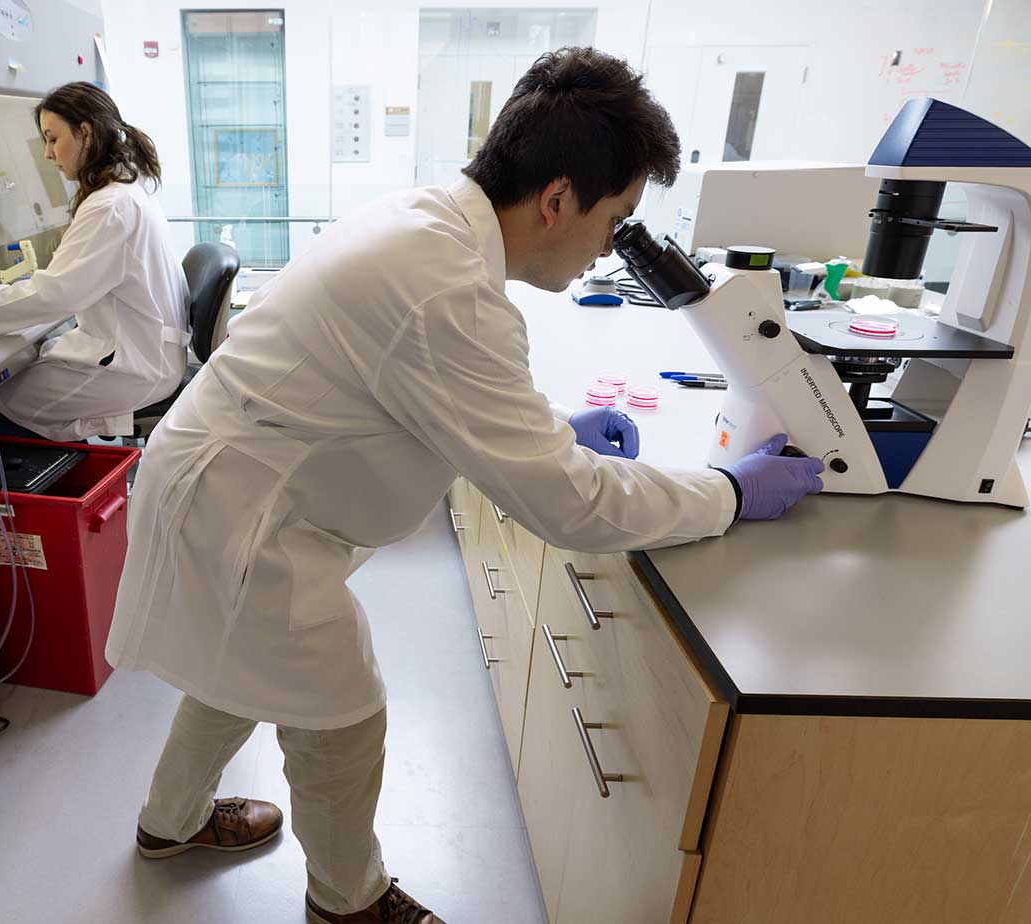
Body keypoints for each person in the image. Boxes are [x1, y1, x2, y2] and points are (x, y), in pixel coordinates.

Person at [107, 48, 826, 924]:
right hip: (245, 515)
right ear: (557, 198)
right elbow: (574, 505)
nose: (611, 245)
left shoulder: (431, 223)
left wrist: (553, 425)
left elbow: (435, 387)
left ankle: (167, 825)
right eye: (616, 217)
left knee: (234, 670)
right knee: (341, 712)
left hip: (228, 483)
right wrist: (729, 492)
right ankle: (349, 903)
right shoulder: (446, 284)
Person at [0, 82, 189, 441]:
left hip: (134, 365)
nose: (47, 153)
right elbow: (64, 286)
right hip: (145, 352)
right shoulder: (126, 192)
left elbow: (54, 294)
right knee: (21, 379)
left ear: (85, 133)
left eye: (52, 138)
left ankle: (32, 494)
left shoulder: (109, 207)